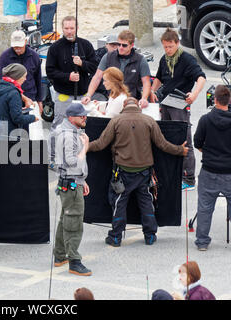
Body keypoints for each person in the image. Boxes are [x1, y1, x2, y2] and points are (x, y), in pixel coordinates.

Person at [88, 97, 188, 247]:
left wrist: (84, 146)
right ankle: (150, 236)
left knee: (119, 203)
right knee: (146, 203)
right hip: (144, 172)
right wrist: (180, 150)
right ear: (137, 106)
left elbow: (101, 143)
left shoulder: (116, 121)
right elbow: (163, 144)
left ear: (124, 106)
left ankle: (115, 237)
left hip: (122, 172)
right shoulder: (149, 121)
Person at [150, 28, 206, 191]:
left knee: (184, 139)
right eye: (165, 47)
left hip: (180, 103)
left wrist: (194, 94)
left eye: (170, 47)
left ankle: (189, 178)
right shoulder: (164, 59)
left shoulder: (187, 59)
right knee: (167, 138)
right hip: (166, 102)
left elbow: (201, 77)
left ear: (177, 43)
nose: (167, 50)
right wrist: (153, 91)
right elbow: (159, 77)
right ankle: (173, 173)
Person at [52, 102, 92, 276]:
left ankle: (60, 255)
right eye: (81, 116)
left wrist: (82, 180)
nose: (85, 118)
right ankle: (74, 261)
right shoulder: (69, 135)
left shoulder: (62, 130)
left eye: (85, 115)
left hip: (68, 182)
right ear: (71, 117)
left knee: (65, 219)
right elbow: (72, 161)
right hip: (70, 184)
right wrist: (86, 148)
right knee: (73, 222)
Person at [193, 85, 231, 251]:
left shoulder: (205, 120)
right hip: (229, 171)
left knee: (205, 208)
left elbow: (197, 143)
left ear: (214, 100)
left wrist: (207, 152)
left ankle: (202, 242)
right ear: (229, 101)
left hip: (209, 170)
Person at [46, 16, 98, 129]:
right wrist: (67, 76)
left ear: (77, 28)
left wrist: (82, 64)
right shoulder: (55, 48)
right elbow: (50, 72)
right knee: (59, 126)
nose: (69, 31)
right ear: (62, 29)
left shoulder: (86, 45)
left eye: (72, 28)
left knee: (84, 128)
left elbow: (94, 67)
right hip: (63, 97)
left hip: (82, 97)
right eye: (66, 28)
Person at [82, 30, 151, 109]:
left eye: (124, 45)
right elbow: (97, 77)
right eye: (118, 44)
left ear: (132, 45)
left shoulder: (141, 60)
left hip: (132, 102)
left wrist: (144, 98)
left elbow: (146, 82)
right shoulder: (107, 57)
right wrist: (89, 95)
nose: (120, 47)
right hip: (112, 100)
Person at [0, 30, 43, 114]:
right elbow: (3, 81)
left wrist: (39, 100)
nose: (17, 49)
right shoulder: (4, 57)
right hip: (11, 98)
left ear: (25, 42)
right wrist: (23, 98)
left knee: (30, 125)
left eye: (20, 46)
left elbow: (38, 79)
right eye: (15, 47)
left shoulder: (34, 56)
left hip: (30, 96)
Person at [0, 63, 37, 136]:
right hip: (10, 132)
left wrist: (17, 110)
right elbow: (17, 118)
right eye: (24, 76)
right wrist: (33, 118)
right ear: (17, 77)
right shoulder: (14, 93)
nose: (25, 79)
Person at [92, 34, 119, 101]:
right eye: (112, 46)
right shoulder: (97, 58)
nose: (115, 48)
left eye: (117, 45)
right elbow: (96, 79)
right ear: (106, 45)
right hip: (100, 91)